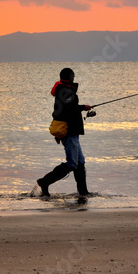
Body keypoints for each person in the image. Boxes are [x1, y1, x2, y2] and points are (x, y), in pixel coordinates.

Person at [36, 67, 93, 197]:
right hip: (70, 132)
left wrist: (58, 134)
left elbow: (60, 112)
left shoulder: (63, 90)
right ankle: (44, 181)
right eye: (73, 76)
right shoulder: (65, 91)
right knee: (73, 163)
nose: (74, 78)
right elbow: (70, 109)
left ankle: (83, 192)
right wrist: (84, 107)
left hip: (71, 132)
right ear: (69, 77)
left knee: (80, 162)